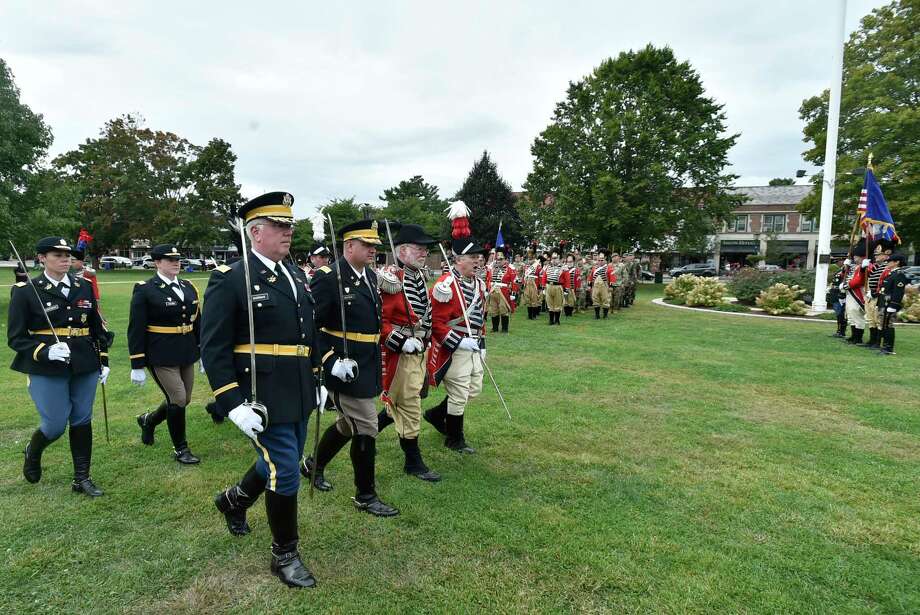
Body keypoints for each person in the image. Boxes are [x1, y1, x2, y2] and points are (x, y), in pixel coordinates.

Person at [201, 192, 321, 588]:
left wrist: (318, 378)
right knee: (286, 470)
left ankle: (233, 500)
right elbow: (213, 346)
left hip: (299, 388)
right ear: (255, 232)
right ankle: (284, 554)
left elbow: (308, 333)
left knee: (279, 459)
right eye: (279, 225)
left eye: (289, 225)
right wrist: (232, 402)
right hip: (261, 392)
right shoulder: (231, 277)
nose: (289, 231)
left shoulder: (296, 274)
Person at [301, 219, 398, 517]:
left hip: (365, 362)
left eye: (374, 246)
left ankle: (311, 465)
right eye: (367, 245)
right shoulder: (328, 278)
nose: (372, 250)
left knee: (348, 424)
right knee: (367, 425)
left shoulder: (369, 275)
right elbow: (310, 327)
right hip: (341, 364)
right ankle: (365, 495)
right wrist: (329, 361)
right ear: (349, 246)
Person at [9, 237, 110, 497]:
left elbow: (97, 330)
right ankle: (34, 450)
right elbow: (16, 337)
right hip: (46, 366)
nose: (66, 259)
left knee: (82, 419)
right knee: (54, 424)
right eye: (58, 255)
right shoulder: (26, 290)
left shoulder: (84, 285)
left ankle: (82, 478)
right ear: (42, 258)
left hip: (84, 363)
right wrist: (45, 352)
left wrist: (104, 360)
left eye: (68, 255)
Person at [376, 223, 441, 482]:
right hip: (399, 353)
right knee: (410, 404)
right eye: (419, 248)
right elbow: (378, 319)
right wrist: (399, 340)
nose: (424, 252)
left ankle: (358, 433)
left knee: (400, 402)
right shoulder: (391, 279)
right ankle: (413, 462)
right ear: (402, 251)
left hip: (418, 350)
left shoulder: (418, 276)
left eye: (426, 249)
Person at [128, 244, 203, 464]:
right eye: (169, 260)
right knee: (178, 398)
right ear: (157, 263)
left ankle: (149, 420)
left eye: (177, 259)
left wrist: (203, 351)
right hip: (160, 352)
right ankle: (181, 449)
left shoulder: (188, 286)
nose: (175, 263)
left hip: (186, 350)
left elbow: (198, 322)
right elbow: (136, 328)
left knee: (184, 399)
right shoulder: (145, 289)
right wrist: (136, 364)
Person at [424, 201, 486, 454]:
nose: (478, 260)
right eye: (473, 257)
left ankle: (437, 415)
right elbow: (436, 323)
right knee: (459, 390)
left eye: (479, 256)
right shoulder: (445, 285)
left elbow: (480, 318)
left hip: (474, 345)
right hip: (456, 346)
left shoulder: (478, 283)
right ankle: (454, 438)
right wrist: (459, 342)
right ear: (459, 259)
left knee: (474, 388)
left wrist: (482, 344)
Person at [854, 240, 894, 349]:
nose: (875, 256)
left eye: (878, 254)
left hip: (878, 296)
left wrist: (875, 293)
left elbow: (886, 284)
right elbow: (866, 276)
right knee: (870, 319)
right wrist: (863, 267)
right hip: (870, 295)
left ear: (887, 254)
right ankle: (872, 340)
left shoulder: (887, 267)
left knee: (877, 320)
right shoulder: (876, 266)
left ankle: (877, 342)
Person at [878, 252, 909, 355]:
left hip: (890, 304)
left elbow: (898, 292)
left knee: (888, 325)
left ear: (897, 262)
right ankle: (885, 345)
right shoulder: (892, 274)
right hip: (885, 303)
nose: (887, 263)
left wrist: (893, 305)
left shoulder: (899, 275)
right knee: (884, 324)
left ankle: (889, 348)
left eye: (890, 261)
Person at [485, 249, 517, 333]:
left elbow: (514, 281)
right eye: (497, 259)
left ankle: (504, 329)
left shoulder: (510, 268)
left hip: (503, 291)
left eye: (501, 259)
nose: (498, 261)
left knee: (503, 310)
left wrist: (513, 293)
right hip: (492, 291)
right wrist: (486, 289)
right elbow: (488, 279)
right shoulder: (491, 267)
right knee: (493, 309)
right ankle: (495, 328)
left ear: (505, 260)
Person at [844, 244, 868, 344]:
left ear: (862, 257)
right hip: (850, 292)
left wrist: (846, 285)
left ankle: (858, 337)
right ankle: (853, 336)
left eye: (856, 257)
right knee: (851, 314)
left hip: (857, 292)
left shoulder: (863, 267)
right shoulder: (855, 267)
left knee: (857, 314)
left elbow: (859, 281)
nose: (854, 258)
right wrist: (845, 267)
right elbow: (846, 275)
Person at [541, 251, 567, 325]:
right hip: (549, 286)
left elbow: (567, 279)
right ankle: (551, 320)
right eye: (553, 258)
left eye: (555, 258)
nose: (554, 260)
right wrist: (543, 287)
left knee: (558, 304)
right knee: (550, 304)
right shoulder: (548, 267)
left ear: (559, 258)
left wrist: (566, 289)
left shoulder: (563, 267)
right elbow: (544, 277)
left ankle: (557, 320)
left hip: (558, 286)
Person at [589, 251, 617, 319]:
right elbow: (590, 277)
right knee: (595, 299)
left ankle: (605, 315)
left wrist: (611, 286)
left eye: (602, 260)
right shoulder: (594, 268)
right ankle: (597, 315)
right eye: (599, 260)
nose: (600, 261)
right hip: (595, 286)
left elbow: (612, 277)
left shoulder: (609, 268)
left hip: (605, 286)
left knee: (606, 300)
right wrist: (589, 285)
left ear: (605, 260)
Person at [827, 257, 848, 338]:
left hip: (840, 295)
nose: (839, 262)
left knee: (841, 314)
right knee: (838, 314)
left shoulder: (846, 271)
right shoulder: (839, 271)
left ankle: (841, 331)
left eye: (840, 261)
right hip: (835, 294)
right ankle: (839, 330)